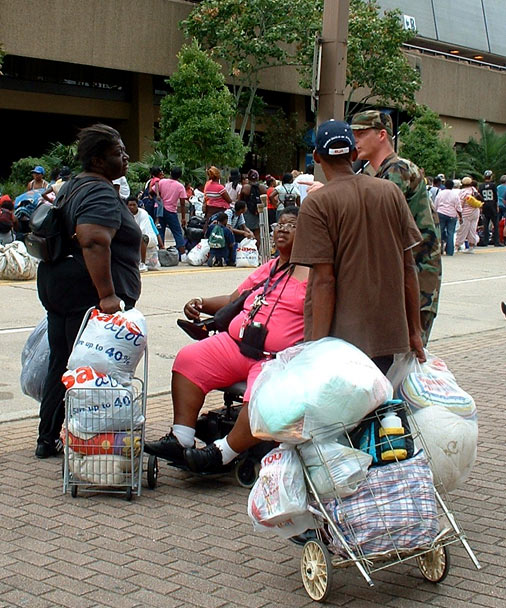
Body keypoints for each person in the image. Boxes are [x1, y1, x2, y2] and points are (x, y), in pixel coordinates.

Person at [144, 207, 308, 472]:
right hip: (238, 345)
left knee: (264, 395)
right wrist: (201, 302)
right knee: (190, 358)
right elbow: (234, 299)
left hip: (275, 359)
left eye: (292, 225)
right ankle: (181, 438)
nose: (282, 229)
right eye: (280, 224)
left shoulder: (315, 275)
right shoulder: (270, 267)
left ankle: (222, 453)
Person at [34, 123, 142, 459]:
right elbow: (93, 239)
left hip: (60, 285)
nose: (125, 157)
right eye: (117, 152)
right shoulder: (98, 191)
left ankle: (48, 436)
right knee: (86, 369)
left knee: (63, 363)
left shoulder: (74, 185)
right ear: (97, 160)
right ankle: (81, 435)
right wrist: (107, 295)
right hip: (85, 290)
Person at [291, 119, 425, 376]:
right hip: (388, 335)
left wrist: (316, 347)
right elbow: (409, 268)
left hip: (342, 342)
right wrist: (415, 331)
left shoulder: (317, 203)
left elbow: (323, 282)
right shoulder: (390, 192)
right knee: (380, 407)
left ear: (317, 157)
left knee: (344, 414)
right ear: (353, 154)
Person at [351, 110, 442, 345]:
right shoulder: (381, 173)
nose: (355, 141)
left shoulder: (397, 169)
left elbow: (374, 213)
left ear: (382, 135)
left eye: (361, 134)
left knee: (408, 356)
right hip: (404, 276)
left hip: (418, 277)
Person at [157, 166, 187, 260]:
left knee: (160, 231)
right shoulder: (180, 186)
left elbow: (153, 190)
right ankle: (182, 254)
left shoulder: (162, 182)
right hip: (171, 211)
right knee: (177, 232)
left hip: (161, 210)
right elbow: (182, 203)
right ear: (179, 176)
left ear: (170, 173)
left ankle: (160, 252)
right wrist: (183, 217)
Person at [127, 195, 163, 271]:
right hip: (132, 237)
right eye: (130, 205)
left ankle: (142, 263)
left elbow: (141, 230)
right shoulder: (125, 214)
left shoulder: (143, 214)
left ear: (137, 205)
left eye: (134, 205)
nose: (132, 207)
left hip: (147, 239)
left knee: (142, 238)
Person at [434, 179, 462, 256]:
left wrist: (435, 213)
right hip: (452, 215)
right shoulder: (455, 195)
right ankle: (449, 251)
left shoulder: (440, 193)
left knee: (440, 232)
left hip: (441, 213)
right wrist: (460, 217)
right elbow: (458, 207)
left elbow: (436, 203)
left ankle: (439, 249)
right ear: (452, 186)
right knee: (451, 233)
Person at [455, 176, 482, 254]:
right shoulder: (474, 190)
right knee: (473, 229)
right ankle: (471, 246)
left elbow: (460, 204)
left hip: (466, 213)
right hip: (475, 212)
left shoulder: (462, 192)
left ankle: (457, 246)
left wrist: (459, 215)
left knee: (463, 230)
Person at [239, 169, 267, 244]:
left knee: (247, 231)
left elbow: (240, 200)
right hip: (259, 211)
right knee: (258, 232)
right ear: (257, 178)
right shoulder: (263, 188)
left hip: (247, 212)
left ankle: (249, 248)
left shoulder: (245, 188)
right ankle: (257, 250)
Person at [478, 170, 501, 247]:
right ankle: (496, 241)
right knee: (495, 224)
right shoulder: (493, 185)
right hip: (492, 205)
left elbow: (479, 196)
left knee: (485, 224)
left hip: (485, 205)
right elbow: (496, 196)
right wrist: (497, 205)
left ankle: (485, 241)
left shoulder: (481, 186)